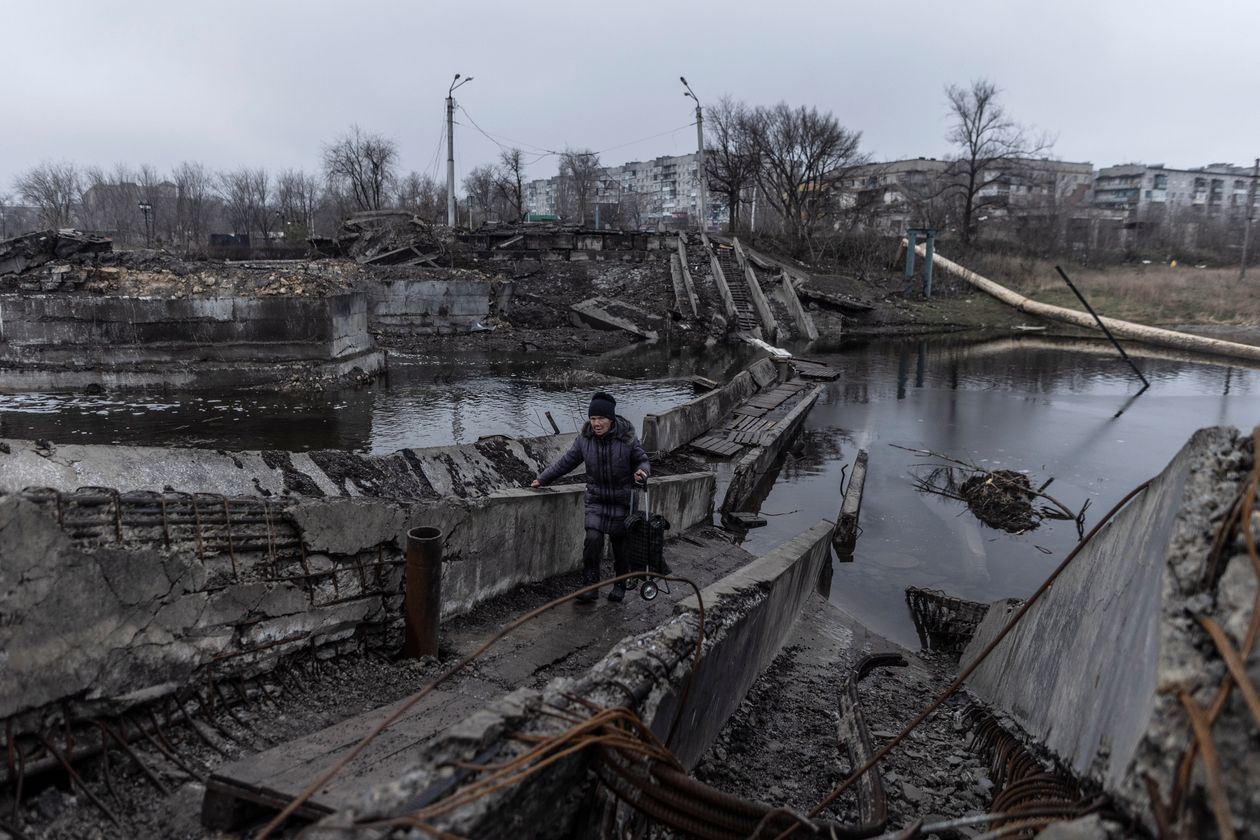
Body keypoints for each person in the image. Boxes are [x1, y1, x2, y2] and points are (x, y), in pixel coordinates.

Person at [531, 391, 649, 603]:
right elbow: (566, 462)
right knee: (592, 540)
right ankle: (590, 586)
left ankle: (620, 584)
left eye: (601, 418)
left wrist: (642, 473)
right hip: (597, 500)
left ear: (611, 419)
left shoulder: (627, 438)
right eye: (593, 418)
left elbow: (642, 460)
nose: (596, 423)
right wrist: (543, 479)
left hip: (623, 501)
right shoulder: (585, 440)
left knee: (620, 546)